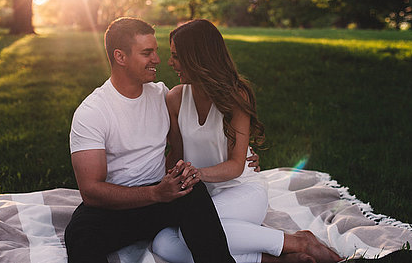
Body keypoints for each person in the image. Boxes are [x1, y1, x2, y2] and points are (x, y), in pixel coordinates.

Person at [152, 19, 342, 263]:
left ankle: (298, 241)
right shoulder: (175, 98)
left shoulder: (234, 96)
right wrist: (157, 184)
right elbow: (176, 153)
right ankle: (277, 260)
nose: (170, 63)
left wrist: (197, 173)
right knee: (163, 243)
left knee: (192, 232)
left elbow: (236, 165)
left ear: (197, 57)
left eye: (176, 56)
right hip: (201, 197)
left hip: (242, 190)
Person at [64, 17, 236, 263]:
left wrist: (243, 151)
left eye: (156, 51)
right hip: (115, 207)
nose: (157, 59)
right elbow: (91, 191)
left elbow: (203, 131)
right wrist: (155, 193)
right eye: (147, 53)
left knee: (192, 190)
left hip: (163, 199)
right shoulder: (93, 111)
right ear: (120, 57)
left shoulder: (162, 96)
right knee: (80, 234)